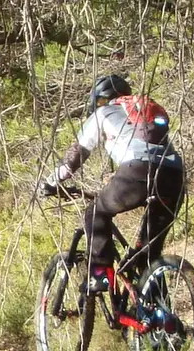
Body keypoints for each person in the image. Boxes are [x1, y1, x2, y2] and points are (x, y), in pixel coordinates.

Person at [36, 74, 185, 306]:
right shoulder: (143, 109)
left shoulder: (103, 113)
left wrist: (51, 182)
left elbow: (76, 156)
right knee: (148, 257)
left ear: (100, 100)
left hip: (136, 172)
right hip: (174, 176)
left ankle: (99, 273)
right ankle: (162, 326)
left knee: (95, 213)